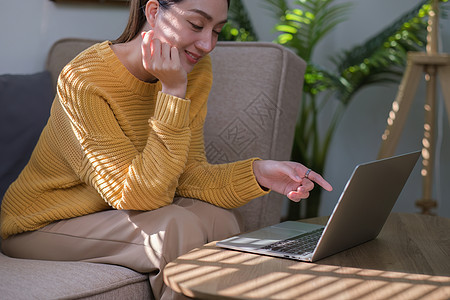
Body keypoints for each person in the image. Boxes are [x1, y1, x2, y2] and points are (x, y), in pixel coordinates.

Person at [0, 0, 332, 299]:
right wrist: (172, 92)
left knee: (221, 220)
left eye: (217, 30)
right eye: (197, 25)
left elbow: (187, 173)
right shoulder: (84, 79)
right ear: (154, 11)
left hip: (107, 211)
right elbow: (139, 197)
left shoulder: (195, 69)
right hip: (39, 223)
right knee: (174, 225)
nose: (207, 45)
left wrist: (258, 173)